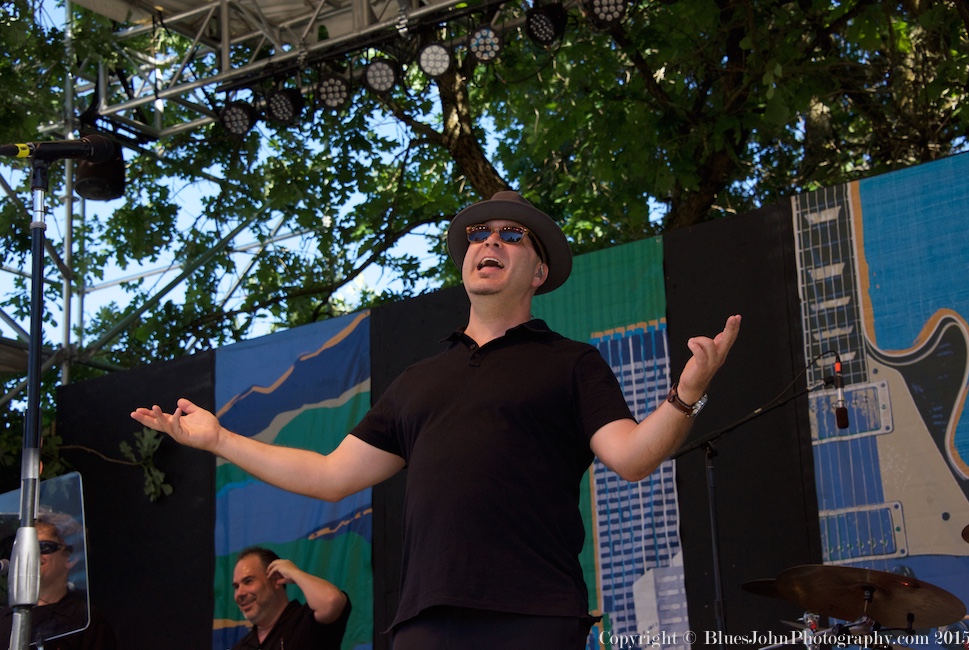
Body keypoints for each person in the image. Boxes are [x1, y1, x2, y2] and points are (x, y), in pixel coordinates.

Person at [132, 190, 741, 649]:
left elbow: (633, 458)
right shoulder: (418, 381)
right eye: (479, 234)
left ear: (540, 271)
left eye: (512, 236)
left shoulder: (571, 364)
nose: (490, 242)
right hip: (426, 623)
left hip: (535, 615)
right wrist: (219, 439)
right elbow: (329, 475)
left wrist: (686, 394)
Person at [0, 514, 117, 650]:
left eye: (43, 546)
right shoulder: (4, 620)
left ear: (70, 557)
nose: (33, 554)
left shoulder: (87, 621)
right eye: (28, 547)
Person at [229, 546, 350, 649]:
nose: (239, 593)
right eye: (236, 586)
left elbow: (331, 601)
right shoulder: (242, 647)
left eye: (248, 581)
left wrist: (295, 573)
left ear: (275, 579)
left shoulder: (304, 623)